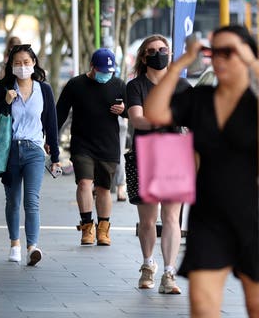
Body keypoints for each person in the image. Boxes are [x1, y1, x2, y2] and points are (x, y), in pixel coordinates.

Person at [144, 25, 259, 317]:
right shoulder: (201, 98)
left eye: (228, 52)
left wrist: (254, 63)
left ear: (247, 54)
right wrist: (180, 63)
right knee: (203, 308)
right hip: (210, 219)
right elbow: (154, 113)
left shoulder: (253, 102)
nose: (219, 59)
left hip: (254, 218)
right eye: (213, 52)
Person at [126, 34, 191, 294]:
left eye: (163, 49)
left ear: (170, 53)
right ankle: (147, 265)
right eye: (152, 50)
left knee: (172, 218)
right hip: (147, 155)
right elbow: (137, 119)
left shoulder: (183, 86)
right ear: (144, 56)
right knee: (148, 220)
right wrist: (166, 119)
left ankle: (168, 273)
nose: (158, 54)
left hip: (177, 155)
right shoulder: (136, 86)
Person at [0, 44, 61, 265]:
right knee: (13, 200)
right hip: (10, 150)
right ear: (11, 65)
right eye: (17, 63)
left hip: (35, 151)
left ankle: (32, 247)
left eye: (26, 62)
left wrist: (55, 155)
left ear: (34, 63)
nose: (22, 67)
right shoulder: (4, 88)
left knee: (32, 200)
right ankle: (15, 244)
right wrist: (6, 103)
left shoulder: (43, 89)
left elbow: (51, 124)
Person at [56, 48, 127, 246]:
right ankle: (87, 227)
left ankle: (103, 229)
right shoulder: (75, 85)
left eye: (110, 71)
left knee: (104, 188)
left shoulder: (119, 85)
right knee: (84, 183)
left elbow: (133, 111)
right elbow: (59, 112)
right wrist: (50, 137)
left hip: (108, 144)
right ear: (92, 67)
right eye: (102, 70)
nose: (106, 74)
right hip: (82, 144)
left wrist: (124, 110)